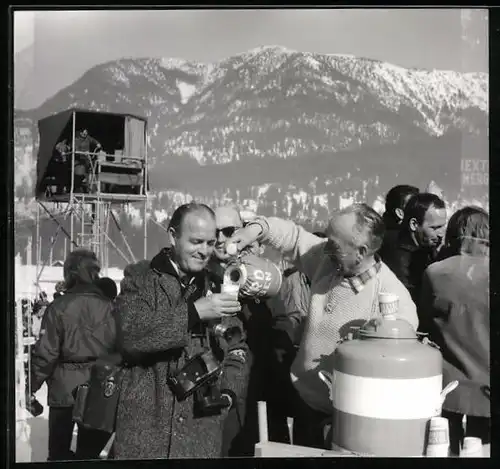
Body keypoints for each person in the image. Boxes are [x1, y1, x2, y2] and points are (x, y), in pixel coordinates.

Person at [227, 204, 418, 449]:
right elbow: (293, 237)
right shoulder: (327, 261)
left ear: (361, 251)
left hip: (346, 420)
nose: (325, 247)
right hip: (304, 402)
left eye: (334, 244)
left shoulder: (393, 302)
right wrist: (255, 229)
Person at [113, 203, 250, 459]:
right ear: (173, 235)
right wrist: (193, 313)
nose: (204, 251)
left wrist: (229, 393)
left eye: (210, 243)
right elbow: (130, 336)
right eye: (196, 241)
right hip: (145, 433)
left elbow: (237, 347)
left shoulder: (219, 285)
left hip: (201, 433)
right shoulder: (140, 278)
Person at [28, 249, 117, 461]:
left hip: (63, 391)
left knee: (58, 454)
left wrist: (31, 386)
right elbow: (119, 351)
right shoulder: (110, 308)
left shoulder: (58, 307)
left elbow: (46, 353)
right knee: (88, 455)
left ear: (69, 273)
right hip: (97, 388)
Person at [419, 206, 490, 455]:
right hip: (487, 390)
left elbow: (425, 320)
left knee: (445, 448)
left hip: (447, 388)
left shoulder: (434, 272)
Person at [208, 205, 273, 456]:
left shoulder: (262, 277)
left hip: (257, 392)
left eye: (229, 231)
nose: (222, 240)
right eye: (216, 233)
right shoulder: (202, 279)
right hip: (223, 395)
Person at [380, 193, 447, 315]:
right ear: (414, 225)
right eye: (435, 227)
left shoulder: (426, 247)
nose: (441, 233)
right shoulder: (399, 257)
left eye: (443, 226)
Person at [379, 185, 419, 260]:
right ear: (400, 213)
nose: (421, 211)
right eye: (415, 207)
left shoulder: (379, 234)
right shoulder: (402, 243)